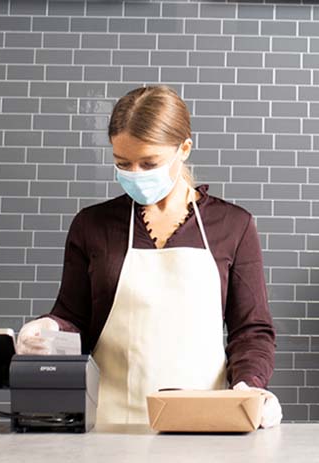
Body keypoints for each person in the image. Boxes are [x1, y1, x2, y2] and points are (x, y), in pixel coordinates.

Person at [16, 85, 281, 428]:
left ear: (183, 148)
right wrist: (49, 328)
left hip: (202, 423)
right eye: (123, 164)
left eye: (149, 163)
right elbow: (74, 317)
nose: (136, 174)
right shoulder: (93, 225)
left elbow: (252, 330)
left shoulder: (233, 226)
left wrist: (249, 387)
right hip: (109, 422)